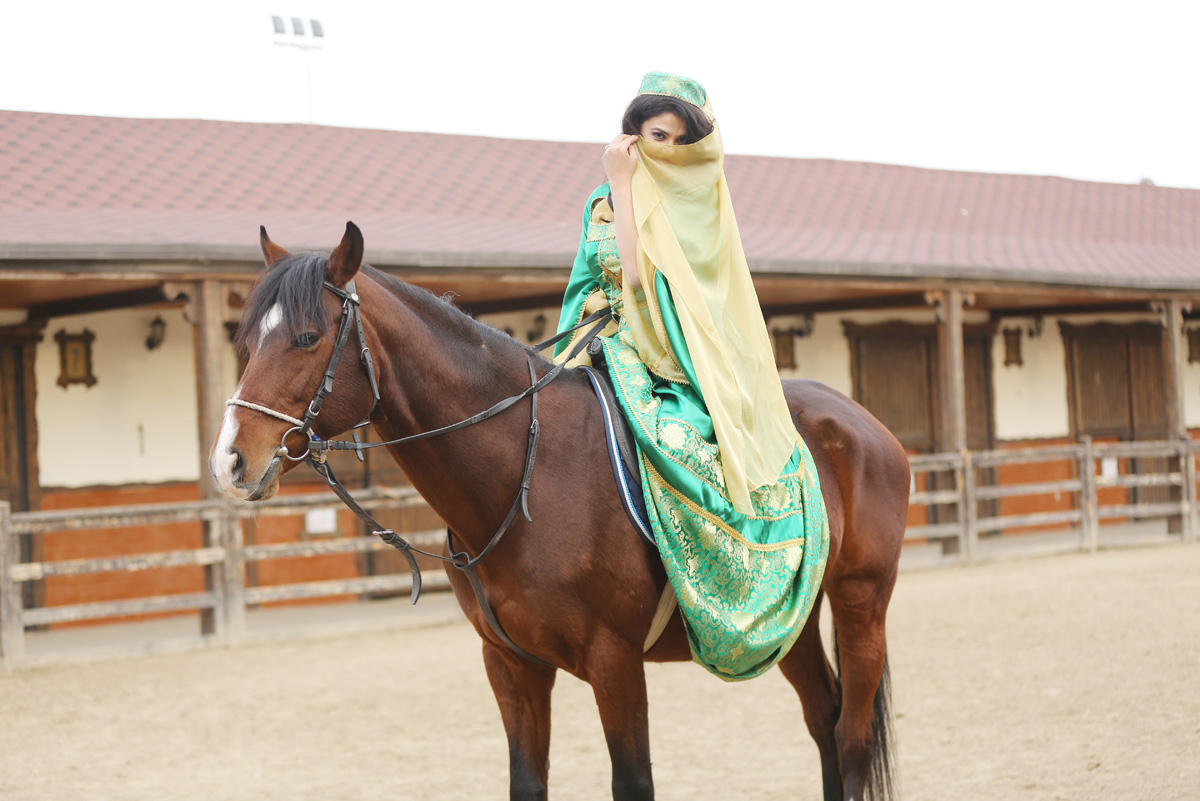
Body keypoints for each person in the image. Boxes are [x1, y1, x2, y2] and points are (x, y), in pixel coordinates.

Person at [553, 72, 829, 681]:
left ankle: (717, 577)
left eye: (678, 140)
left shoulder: (683, 204)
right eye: (655, 134)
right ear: (633, 132)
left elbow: (634, 276)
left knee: (676, 438)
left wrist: (624, 182)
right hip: (597, 341)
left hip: (669, 357)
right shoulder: (597, 201)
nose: (664, 149)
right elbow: (585, 280)